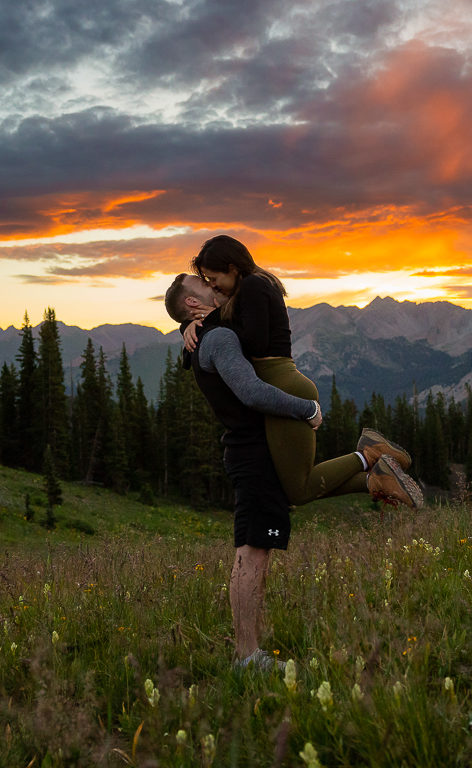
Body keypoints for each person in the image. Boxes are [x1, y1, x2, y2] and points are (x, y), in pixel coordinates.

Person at [164, 273, 421, 668]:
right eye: (204, 287)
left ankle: (373, 474)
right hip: (254, 456)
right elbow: (251, 391)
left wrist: (189, 327)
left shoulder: (208, 334)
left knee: (274, 525)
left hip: (252, 453)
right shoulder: (218, 338)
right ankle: (248, 657)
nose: (214, 287)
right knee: (253, 555)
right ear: (193, 305)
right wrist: (308, 409)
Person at [179, 235, 414, 507]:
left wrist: (211, 320)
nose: (212, 285)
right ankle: (375, 480)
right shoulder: (250, 287)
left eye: (213, 278)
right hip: (280, 382)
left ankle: (368, 455)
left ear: (232, 268)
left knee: (298, 490)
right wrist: (191, 327)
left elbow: (255, 341)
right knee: (290, 487)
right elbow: (213, 339)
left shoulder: (254, 285)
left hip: (282, 384)